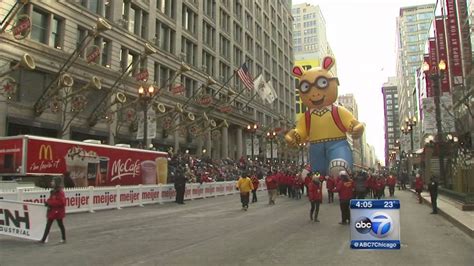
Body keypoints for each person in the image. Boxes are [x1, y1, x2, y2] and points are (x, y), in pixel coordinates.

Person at [39, 176, 66, 244]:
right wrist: (47, 202)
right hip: (52, 211)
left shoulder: (60, 192)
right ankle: (43, 239)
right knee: (48, 225)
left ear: (56, 183)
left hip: (58, 212)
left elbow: (61, 202)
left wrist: (50, 203)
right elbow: (51, 199)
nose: (51, 182)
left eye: (53, 181)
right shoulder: (53, 191)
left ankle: (63, 238)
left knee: (60, 225)